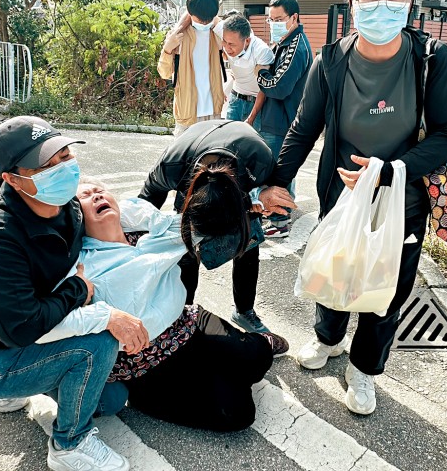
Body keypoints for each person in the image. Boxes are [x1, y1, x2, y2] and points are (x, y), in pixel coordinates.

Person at [258, 0, 447, 415]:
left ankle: (364, 369)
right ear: (351, 2)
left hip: (404, 200)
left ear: (411, 3)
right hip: (342, 195)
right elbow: (303, 128)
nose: (382, 6)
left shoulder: (431, 59)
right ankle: (328, 340)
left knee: (385, 289)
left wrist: (392, 170)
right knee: (338, 269)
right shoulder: (331, 61)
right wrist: (276, 182)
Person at [0, 116, 149, 471]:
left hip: (32, 335)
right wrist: (84, 295)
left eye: (65, 156)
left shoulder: (69, 209)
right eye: (46, 165)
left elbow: (118, 220)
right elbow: (21, 329)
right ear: (12, 178)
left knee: (112, 399)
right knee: (99, 344)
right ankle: (70, 446)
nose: (64, 168)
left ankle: (20, 388)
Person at [43, 182, 288, 432]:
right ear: (75, 215)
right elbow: (50, 323)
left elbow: (206, 220)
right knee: (237, 415)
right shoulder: (81, 268)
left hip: (189, 325)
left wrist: (255, 201)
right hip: (146, 364)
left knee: (255, 359)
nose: (96, 195)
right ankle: (153, 395)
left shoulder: (151, 232)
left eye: (101, 191)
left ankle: (253, 347)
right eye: (86, 195)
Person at [139, 120, 294, 334]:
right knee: (187, 250)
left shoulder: (260, 161)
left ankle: (244, 310)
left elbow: (274, 187)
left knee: (248, 244)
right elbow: (144, 205)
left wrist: (264, 193)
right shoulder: (171, 167)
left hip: (241, 166)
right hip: (194, 158)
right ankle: (183, 315)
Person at [255, 0, 313, 238]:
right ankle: (282, 211)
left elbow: (279, 87)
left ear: (294, 18)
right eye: (271, 19)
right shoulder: (285, 42)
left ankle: (279, 221)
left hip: (282, 122)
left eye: (279, 19)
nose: (274, 24)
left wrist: (260, 74)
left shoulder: (296, 46)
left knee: (277, 173)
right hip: (277, 119)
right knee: (281, 171)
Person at [158, 0, 226, 136]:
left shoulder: (218, 32)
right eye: (199, 19)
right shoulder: (177, 35)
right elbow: (164, 73)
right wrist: (168, 48)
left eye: (207, 19)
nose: (203, 22)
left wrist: (218, 25)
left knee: (212, 157)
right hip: (187, 111)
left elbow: (232, 56)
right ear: (190, 13)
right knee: (183, 157)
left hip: (214, 110)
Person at [220, 13, 276, 127]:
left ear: (247, 41)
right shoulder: (227, 40)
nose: (226, 47)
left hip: (256, 103)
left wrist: (251, 118)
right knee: (229, 138)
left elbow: (263, 89)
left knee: (251, 141)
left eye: (231, 44)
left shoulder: (262, 52)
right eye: (224, 41)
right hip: (235, 99)